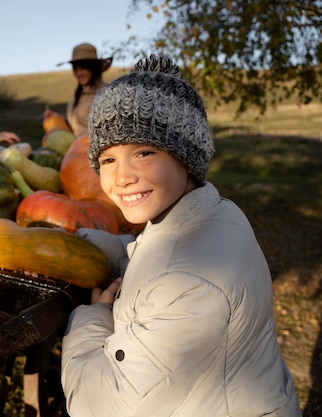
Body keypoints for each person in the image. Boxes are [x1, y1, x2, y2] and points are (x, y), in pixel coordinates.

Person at [61, 55, 301, 416]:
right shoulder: (209, 213)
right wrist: (84, 243)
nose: (121, 177)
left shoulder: (191, 282)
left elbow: (102, 407)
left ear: (186, 157)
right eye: (107, 160)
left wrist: (90, 319)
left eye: (143, 152)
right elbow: (149, 249)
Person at [44, 42, 112, 137]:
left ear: (93, 68)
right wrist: (56, 119)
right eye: (75, 69)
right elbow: (75, 128)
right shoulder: (78, 95)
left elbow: (108, 133)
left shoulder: (106, 95)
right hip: (74, 148)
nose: (78, 73)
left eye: (83, 68)